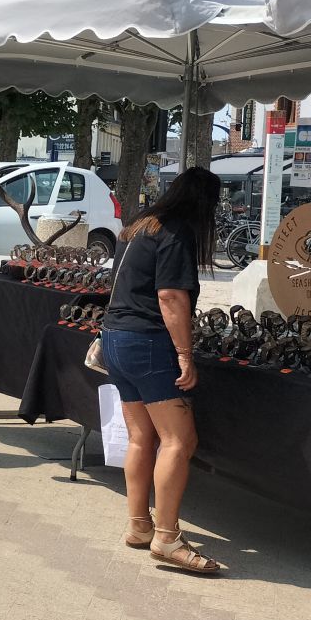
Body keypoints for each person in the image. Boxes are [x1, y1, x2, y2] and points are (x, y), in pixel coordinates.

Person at [99, 166, 224, 574]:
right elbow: (170, 296)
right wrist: (185, 355)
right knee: (178, 440)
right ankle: (167, 538)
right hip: (147, 343)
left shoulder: (139, 225)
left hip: (115, 337)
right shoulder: (175, 231)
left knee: (141, 437)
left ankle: (139, 525)